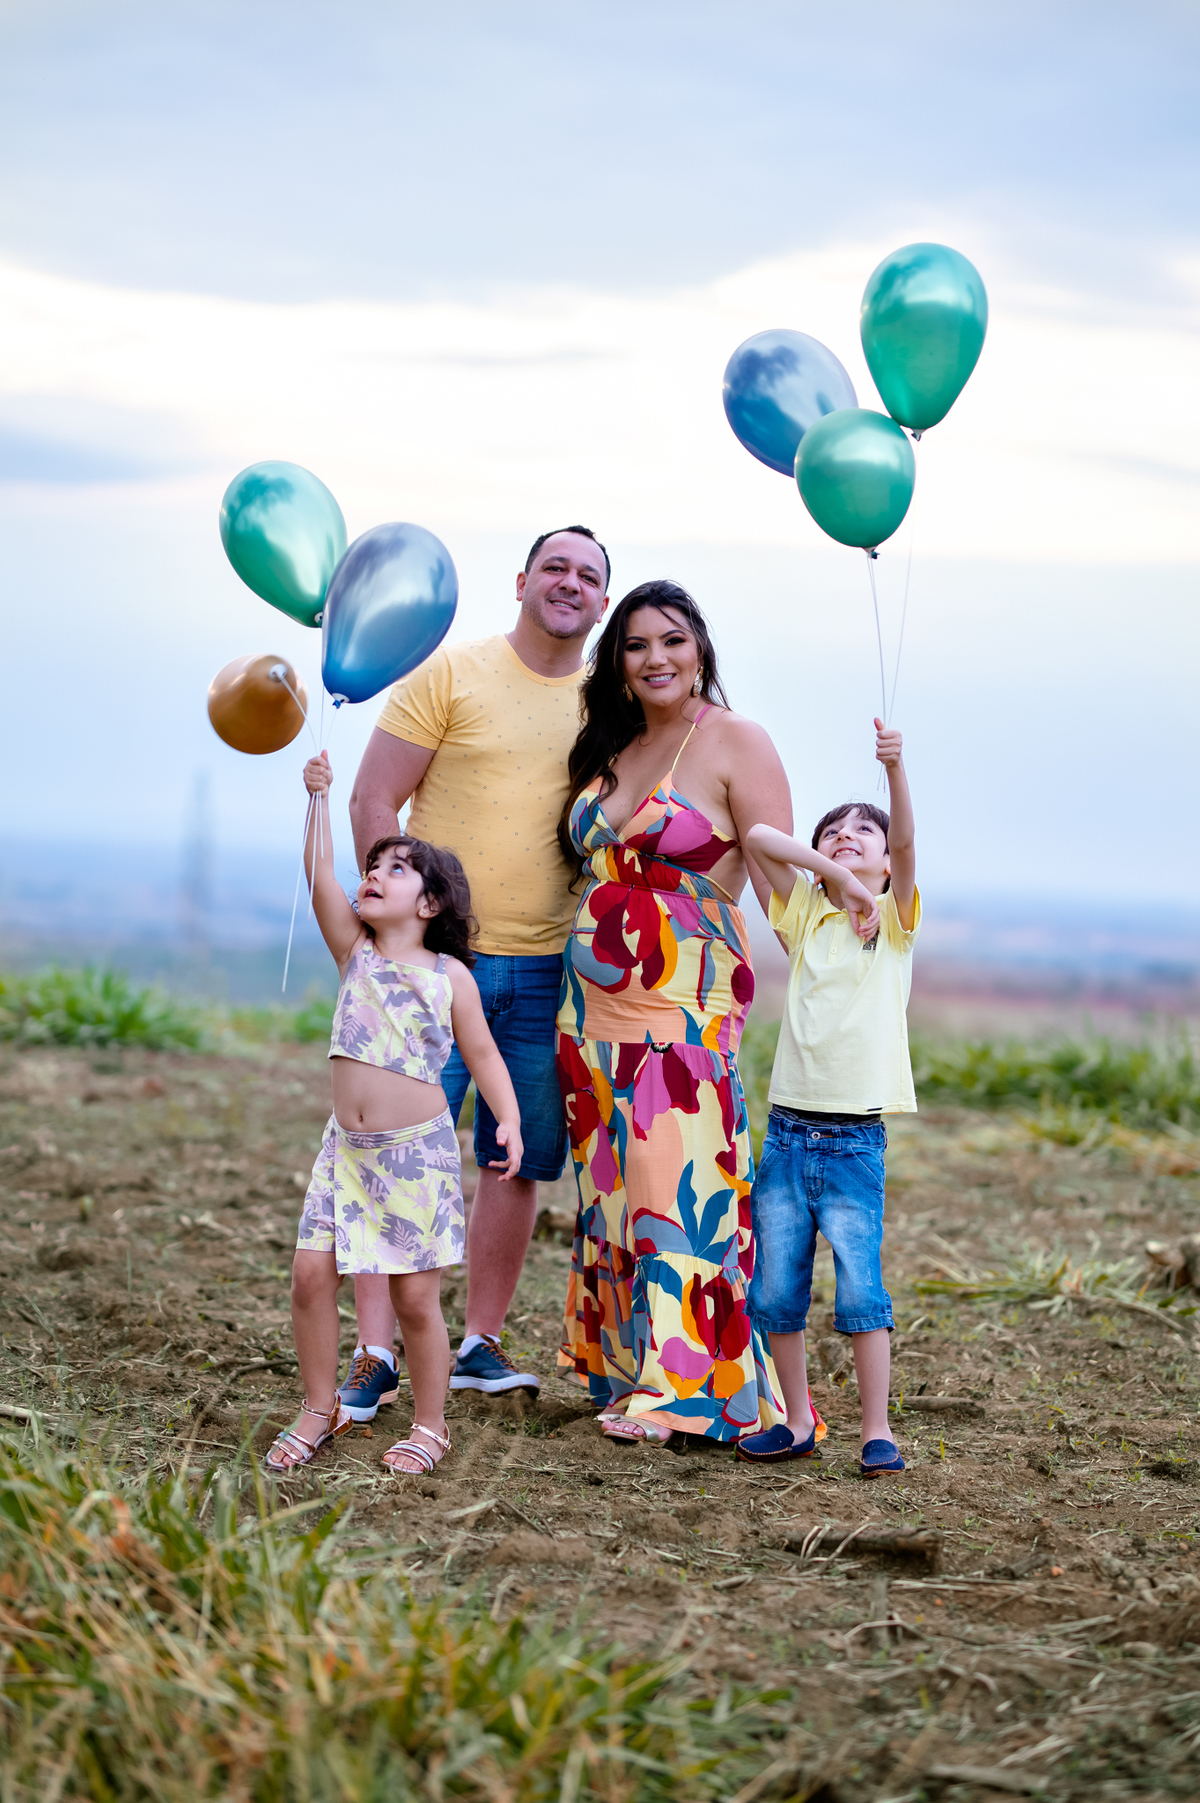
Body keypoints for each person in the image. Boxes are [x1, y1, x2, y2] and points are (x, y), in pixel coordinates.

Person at [554, 581, 880, 1445]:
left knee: (676, 1179)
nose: (655, 657)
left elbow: (777, 880)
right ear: (618, 663)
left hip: (685, 999)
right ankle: (633, 1366)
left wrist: (843, 923)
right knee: (613, 1188)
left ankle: (689, 1391)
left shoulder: (737, 739)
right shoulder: (612, 742)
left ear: (700, 648)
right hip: (588, 1009)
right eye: (635, 644)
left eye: (672, 639)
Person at [339, 527, 610, 1419]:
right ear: (523, 580)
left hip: (546, 969)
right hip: (437, 963)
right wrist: (396, 936)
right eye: (556, 567)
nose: (570, 583)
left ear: (603, 602)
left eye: (589, 576)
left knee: (515, 1156)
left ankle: (479, 1343)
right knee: (386, 1150)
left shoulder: (606, 704)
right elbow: (374, 798)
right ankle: (375, 1350)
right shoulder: (449, 673)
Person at [265, 752, 523, 1477]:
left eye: (397, 869)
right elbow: (320, 874)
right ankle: (319, 1407)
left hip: (415, 1156)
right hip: (343, 1152)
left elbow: (483, 1054)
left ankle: (431, 1425)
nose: (374, 874)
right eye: (373, 866)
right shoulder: (356, 952)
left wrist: (507, 1117)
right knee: (309, 1276)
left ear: (430, 904)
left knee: (414, 1299)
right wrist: (318, 799)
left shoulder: (450, 977)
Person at [736, 718, 918, 1477]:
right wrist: (830, 875)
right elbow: (759, 837)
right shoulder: (808, 915)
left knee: (861, 1294)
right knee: (777, 1291)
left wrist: (894, 772)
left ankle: (877, 1430)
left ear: (886, 865)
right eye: (833, 831)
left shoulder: (892, 922)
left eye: (861, 833)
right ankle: (797, 1420)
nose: (847, 836)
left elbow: (904, 843)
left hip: (852, 1141)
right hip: (786, 1134)